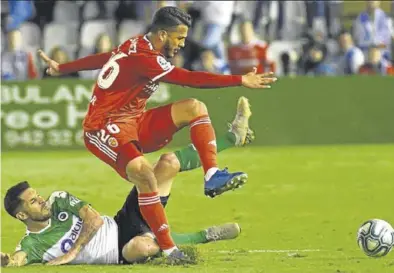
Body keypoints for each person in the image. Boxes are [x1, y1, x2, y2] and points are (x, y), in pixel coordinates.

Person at [37, 6, 276, 262]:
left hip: (135, 120)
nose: (182, 45)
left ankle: (212, 174)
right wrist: (239, 80)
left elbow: (106, 57)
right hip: (104, 127)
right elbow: (190, 78)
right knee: (146, 175)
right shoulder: (147, 59)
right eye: (179, 38)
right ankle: (171, 250)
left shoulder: (135, 44)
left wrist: (64, 67)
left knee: (194, 108)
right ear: (162, 35)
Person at [1, 116, 254, 266]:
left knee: (168, 162)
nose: (41, 201)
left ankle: (231, 139)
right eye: (33, 202)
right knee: (142, 248)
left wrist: (73, 251)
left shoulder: (58, 200)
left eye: (37, 196)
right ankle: (205, 235)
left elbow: (94, 218)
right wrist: (7, 261)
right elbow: (18, 258)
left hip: (124, 220)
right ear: (22, 215)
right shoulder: (32, 243)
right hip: (119, 252)